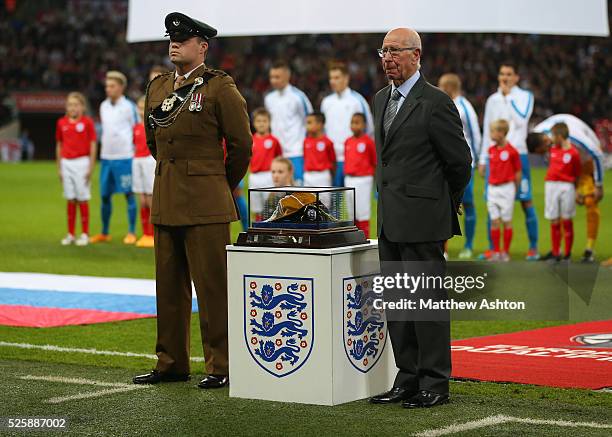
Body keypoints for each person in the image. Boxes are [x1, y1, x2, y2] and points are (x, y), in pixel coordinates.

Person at [132, 12, 251, 389]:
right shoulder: (157, 87)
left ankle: (222, 365)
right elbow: (154, 142)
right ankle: (171, 362)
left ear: (202, 46)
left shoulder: (219, 87)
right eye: (171, 39)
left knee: (213, 287)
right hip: (167, 198)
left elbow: (241, 145)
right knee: (168, 287)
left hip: (206, 202)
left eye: (183, 39)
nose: (174, 43)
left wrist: (218, 182)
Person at [369, 28, 471, 409]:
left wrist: (443, 205)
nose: (388, 58)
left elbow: (459, 163)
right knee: (397, 305)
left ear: (416, 55)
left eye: (395, 51)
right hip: (390, 219)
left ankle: (435, 382)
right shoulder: (380, 99)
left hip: (424, 219)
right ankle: (407, 377)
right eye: (384, 51)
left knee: (425, 305)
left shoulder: (436, 102)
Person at [479, 62, 539, 260]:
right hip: (494, 156)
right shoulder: (492, 100)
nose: (505, 77)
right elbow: (488, 130)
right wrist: (483, 158)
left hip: (517, 154)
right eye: (502, 73)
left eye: (509, 74)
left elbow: (521, 121)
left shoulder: (525, 97)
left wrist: (508, 98)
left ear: (516, 78)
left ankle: (533, 248)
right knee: (492, 201)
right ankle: (493, 249)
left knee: (526, 201)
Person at [528, 114, 605, 263]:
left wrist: (599, 185)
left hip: (587, 160)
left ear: (546, 141)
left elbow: (597, 154)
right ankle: (557, 251)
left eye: (543, 151)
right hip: (564, 172)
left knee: (590, 201)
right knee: (556, 216)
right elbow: (548, 158)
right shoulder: (537, 135)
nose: (545, 154)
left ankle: (589, 249)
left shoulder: (575, 138)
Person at [90, 71, 138, 244]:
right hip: (106, 158)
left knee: (128, 194)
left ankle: (131, 232)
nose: (108, 89)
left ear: (121, 87)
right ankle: (104, 232)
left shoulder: (129, 107)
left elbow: (137, 130)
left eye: (112, 86)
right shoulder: (103, 106)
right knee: (104, 196)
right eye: (107, 86)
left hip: (125, 157)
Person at [438, 73, 481, 259]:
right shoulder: (441, 104)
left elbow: (475, 134)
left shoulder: (465, 107)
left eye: (441, 85)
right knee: (443, 206)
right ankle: (444, 248)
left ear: (449, 87)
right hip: (444, 163)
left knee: (468, 204)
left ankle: (469, 245)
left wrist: (478, 160)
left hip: (464, 163)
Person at [320, 62, 373, 186]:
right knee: (332, 201)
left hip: (353, 158)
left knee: (353, 200)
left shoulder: (357, 101)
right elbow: (323, 130)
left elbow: (369, 129)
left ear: (346, 78)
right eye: (331, 78)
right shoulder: (326, 102)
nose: (333, 81)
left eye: (336, 78)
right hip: (332, 159)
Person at [55, 92, 97, 246]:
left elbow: (93, 145)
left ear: (82, 107)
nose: (73, 107)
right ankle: (71, 234)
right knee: (70, 198)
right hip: (66, 163)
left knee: (82, 198)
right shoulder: (61, 123)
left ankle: (85, 234)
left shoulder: (87, 123)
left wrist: (90, 167)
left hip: (82, 162)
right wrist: (59, 167)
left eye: (76, 104)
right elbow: (59, 145)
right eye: (70, 104)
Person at [264, 60, 313, 185]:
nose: (273, 80)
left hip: (296, 151)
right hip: (277, 153)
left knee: (299, 191)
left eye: (277, 77)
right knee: (279, 194)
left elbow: (311, 122)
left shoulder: (298, 97)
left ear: (287, 76)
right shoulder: (269, 99)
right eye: (271, 77)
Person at [539, 123, 581, 262]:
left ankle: (567, 255)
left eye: (553, 135)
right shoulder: (552, 150)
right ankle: (556, 253)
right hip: (551, 185)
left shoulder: (574, 153)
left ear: (560, 136)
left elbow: (577, 173)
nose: (551, 138)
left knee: (567, 220)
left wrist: (577, 190)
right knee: (554, 219)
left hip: (567, 187)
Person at [480, 120, 521, 262]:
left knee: (506, 221)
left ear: (502, 133)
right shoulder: (491, 150)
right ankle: (496, 252)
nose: (491, 134)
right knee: (494, 221)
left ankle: (506, 252)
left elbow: (518, 172)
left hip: (507, 189)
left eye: (493, 131)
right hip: (492, 189)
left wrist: (516, 189)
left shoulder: (512, 151)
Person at [344, 113, 376, 237]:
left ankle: (365, 237)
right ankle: (353, 237)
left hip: (363, 179)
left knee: (362, 211)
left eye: (357, 122)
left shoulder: (368, 142)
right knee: (350, 211)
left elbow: (374, 162)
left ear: (364, 125)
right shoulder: (348, 141)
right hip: (349, 179)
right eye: (352, 122)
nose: (353, 125)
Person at [249, 107, 282, 222]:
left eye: (264, 121)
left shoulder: (274, 141)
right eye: (258, 121)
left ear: (269, 122)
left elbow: (279, 159)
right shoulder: (250, 140)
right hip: (254, 177)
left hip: (269, 176)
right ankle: (258, 230)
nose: (261, 124)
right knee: (256, 208)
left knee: (270, 206)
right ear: (253, 123)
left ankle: (271, 231)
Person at [131, 96, 155, 248]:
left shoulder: (152, 125)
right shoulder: (135, 127)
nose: (141, 111)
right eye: (139, 108)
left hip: (149, 161)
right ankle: (145, 233)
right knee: (142, 200)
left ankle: (152, 234)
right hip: (137, 161)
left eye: (143, 108)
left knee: (151, 199)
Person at [303, 112, 336, 189]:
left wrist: (330, 176)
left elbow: (333, 161)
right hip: (308, 176)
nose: (307, 126)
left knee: (324, 200)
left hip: (323, 176)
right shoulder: (306, 141)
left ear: (320, 124)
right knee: (308, 200)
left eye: (309, 123)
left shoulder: (328, 142)